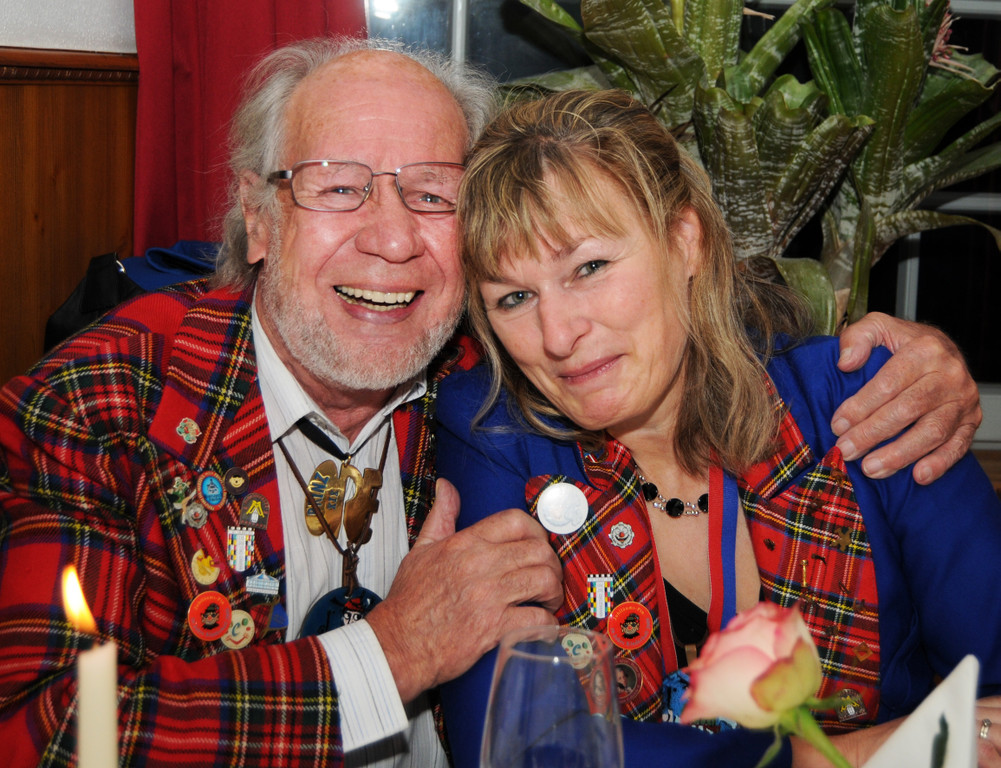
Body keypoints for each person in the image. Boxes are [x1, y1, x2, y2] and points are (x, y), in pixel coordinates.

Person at [0, 36, 982, 768]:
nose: (391, 239)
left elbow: (676, 339)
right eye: (337, 189)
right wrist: (388, 655)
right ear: (257, 219)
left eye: (432, 194)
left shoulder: (477, 369)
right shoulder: (104, 403)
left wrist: (910, 360)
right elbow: (41, 733)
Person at [435, 88, 1001, 768]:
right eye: (514, 297)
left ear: (685, 241)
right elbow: (514, 743)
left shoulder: (861, 402)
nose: (557, 335)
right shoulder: (495, 439)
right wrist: (831, 758)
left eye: (589, 267)